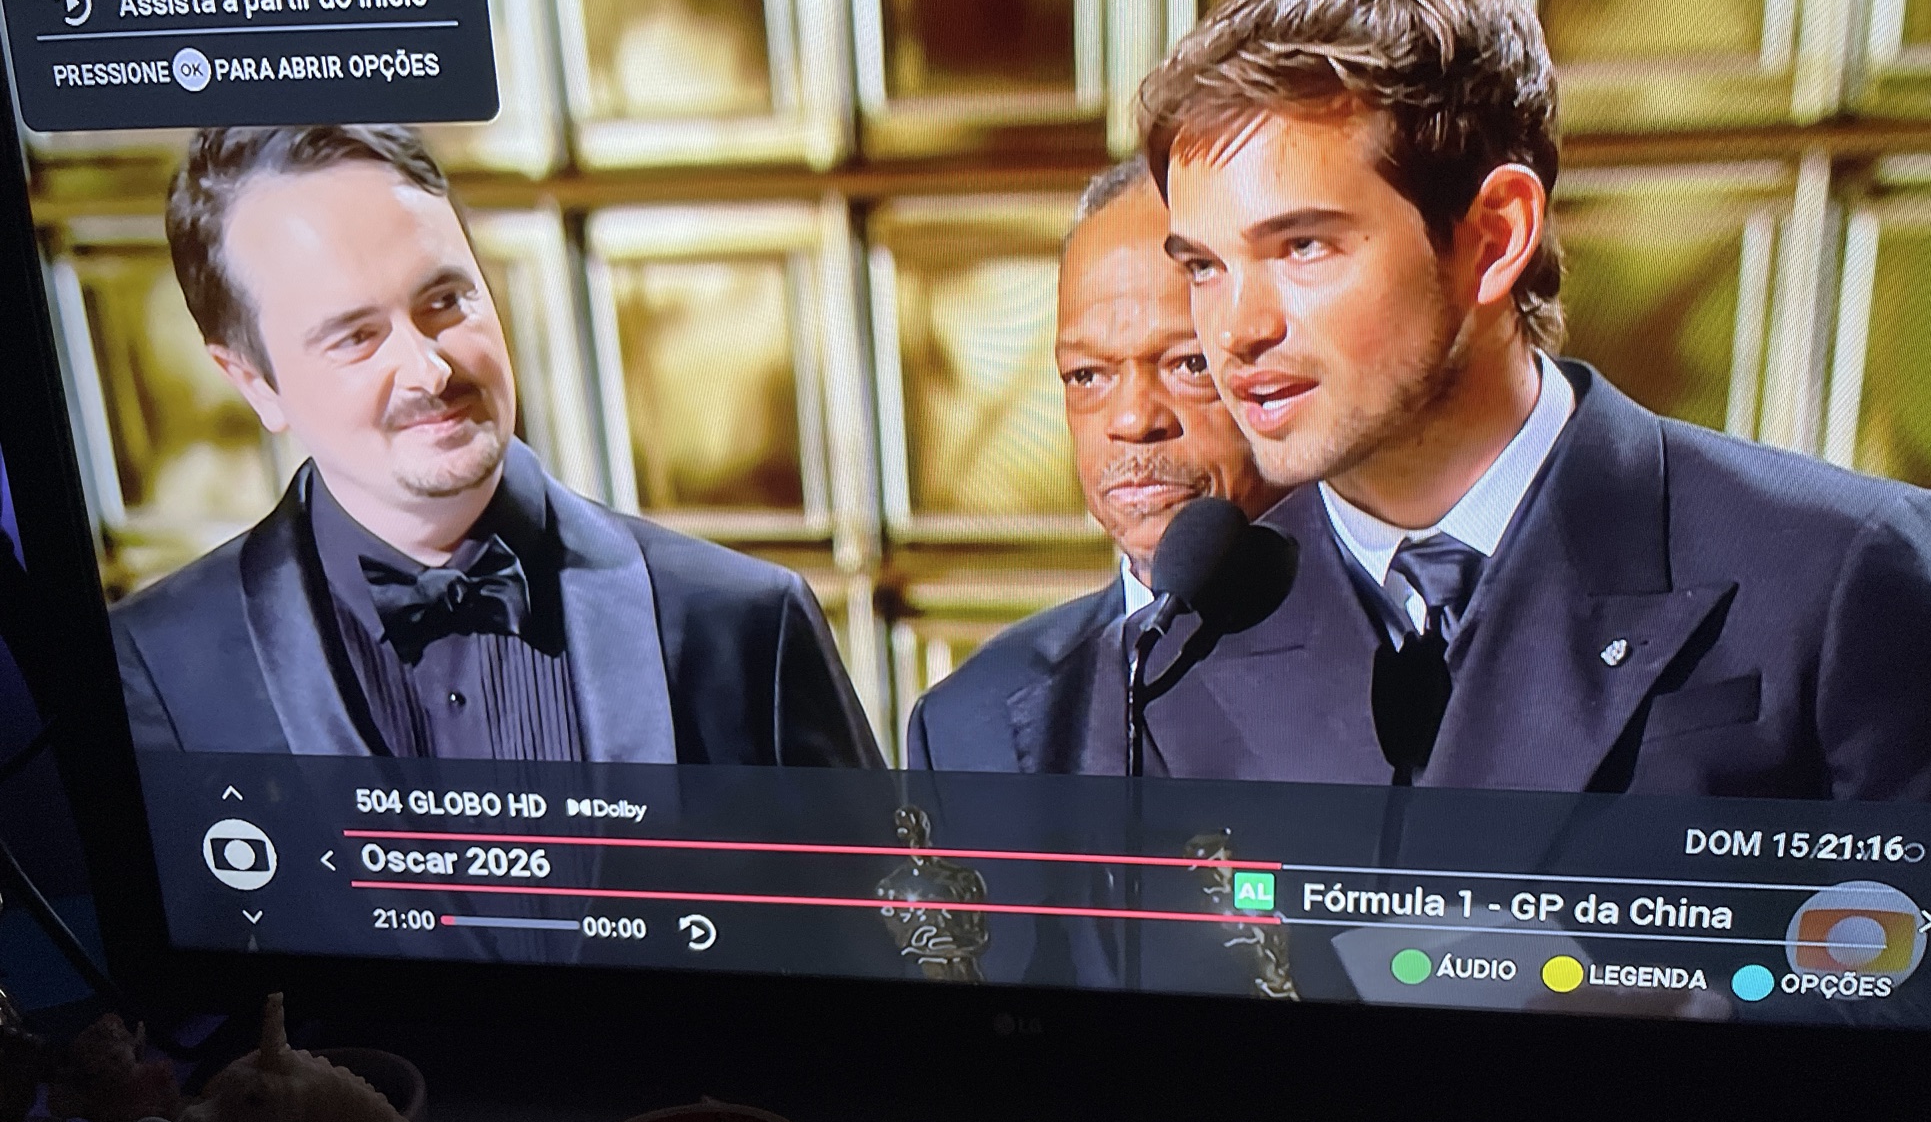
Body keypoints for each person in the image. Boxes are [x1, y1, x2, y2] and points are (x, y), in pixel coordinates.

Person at [1130, 0, 1931, 799]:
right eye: (1203, 266)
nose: (1235, 331)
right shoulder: (1186, 637)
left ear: (1495, 236)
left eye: (1303, 247)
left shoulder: (1849, 572)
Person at [111, 125, 881, 770]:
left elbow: (876, 905)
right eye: (356, 336)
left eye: (445, 301)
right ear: (255, 383)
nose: (429, 370)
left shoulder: (745, 625)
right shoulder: (153, 669)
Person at [904, 159, 1286, 776]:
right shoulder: (967, 728)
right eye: (1087, 376)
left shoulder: (1406, 645)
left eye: (1189, 364)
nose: (1132, 420)